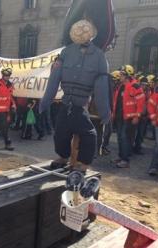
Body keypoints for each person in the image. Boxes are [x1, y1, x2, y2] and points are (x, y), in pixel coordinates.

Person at [40, 20, 111, 173]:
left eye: (83, 30)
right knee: (60, 132)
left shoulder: (99, 57)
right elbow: (54, 77)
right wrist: (46, 101)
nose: (80, 32)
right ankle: (63, 156)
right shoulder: (66, 52)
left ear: (91, 33)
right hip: (66, 102)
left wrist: (105, 112)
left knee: (89, 134)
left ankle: (83, 163)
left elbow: (102, 87)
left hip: (81, 105)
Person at [112, 65, 145, 168]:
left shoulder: (135, 86)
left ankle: (125, 160)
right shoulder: (120, 86)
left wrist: (137, 116)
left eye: (122, 74)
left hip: (128, 118)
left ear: (127, 75)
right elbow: (116, 101)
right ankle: (121, 156)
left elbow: (141, 103)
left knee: (124, 138)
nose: (120, 76)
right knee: (120, 138)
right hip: (118, 117)